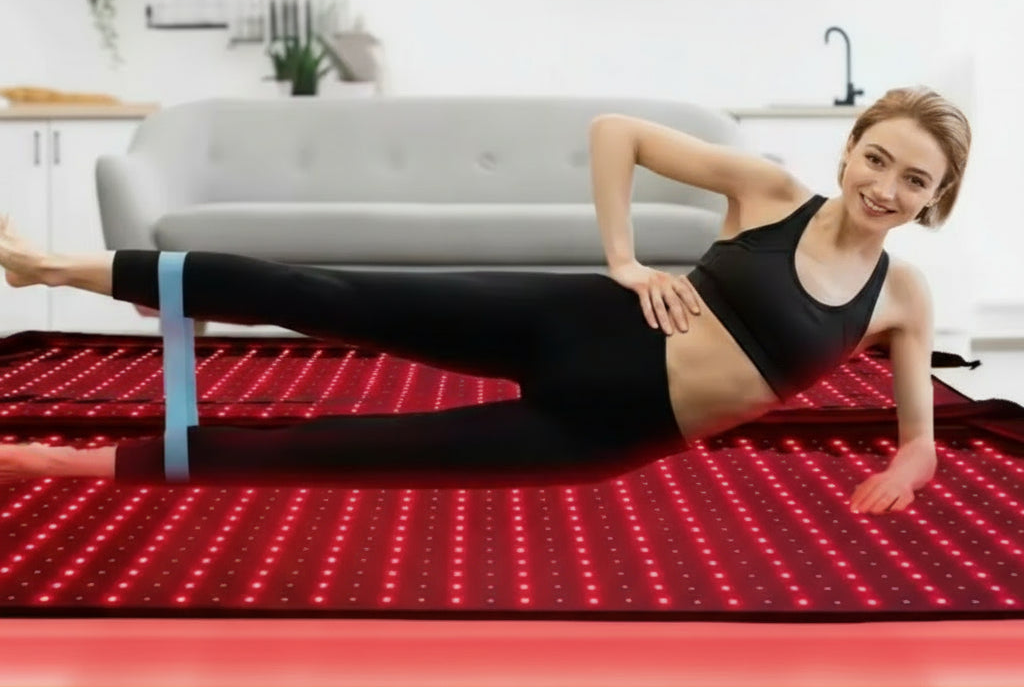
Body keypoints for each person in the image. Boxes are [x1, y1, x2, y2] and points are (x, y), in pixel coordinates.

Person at [0, 85, 969, 515]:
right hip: (575, 323)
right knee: (322, 293)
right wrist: (626, 259)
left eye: (913, 180)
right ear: (849, 150)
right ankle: (47, 267)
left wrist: (907, 467)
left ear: (935, 200)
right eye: (876, 158)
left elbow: (918, 440)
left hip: (599, 436)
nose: (884, 186)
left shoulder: (901, 297)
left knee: (334, 456)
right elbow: (617, 132)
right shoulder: (770, 193)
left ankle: (64, 462)